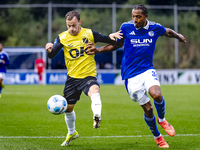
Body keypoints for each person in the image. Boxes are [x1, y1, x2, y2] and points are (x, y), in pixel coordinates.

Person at [86, 4, 186, 148]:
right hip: (130, 75)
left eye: (138, 17)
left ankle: (163, 120)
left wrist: (178, 36)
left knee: (156, 95)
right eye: (133, 16)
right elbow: (116, 45)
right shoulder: (126, 27)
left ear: (145, 17)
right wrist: (98, 50)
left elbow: (167, 31)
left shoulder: (154, 28)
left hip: (147, 70)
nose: (135, 19)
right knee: (148, 109)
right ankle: (158, 137)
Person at [45, 10, 116, 146]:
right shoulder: (62, 37)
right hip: (72, 78)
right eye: (68, 26)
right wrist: (48, 49)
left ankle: (97, 116)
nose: (71, 29)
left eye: (74, 25)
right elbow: (52, 54)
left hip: (88, 75)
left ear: (80, 22)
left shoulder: (90, 34)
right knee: (68, 108)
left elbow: (109, 40)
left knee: (94, 90)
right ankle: (72, 132)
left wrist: (111, 36)